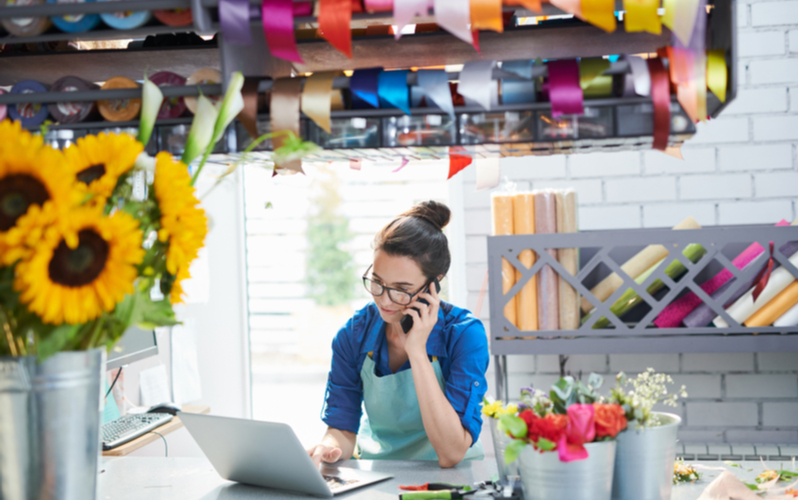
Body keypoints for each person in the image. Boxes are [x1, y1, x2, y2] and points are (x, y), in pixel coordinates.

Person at [307, 201, 489, 469]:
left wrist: (417, 351)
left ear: (433, 285)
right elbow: (343, 429)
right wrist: (330, 447)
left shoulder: (464, 335)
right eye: (377, 282)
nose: (384, 300)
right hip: (379, 476)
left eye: (401, 289)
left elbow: (451, 453)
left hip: (452, 480)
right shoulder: (353, 335)